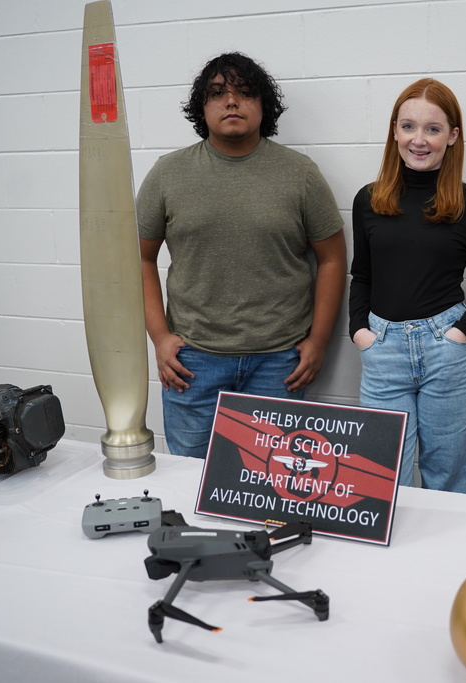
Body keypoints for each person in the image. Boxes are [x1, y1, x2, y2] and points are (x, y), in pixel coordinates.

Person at [137, 52, 346, 458]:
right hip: (192, 364)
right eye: (218, 93)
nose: (231, 102)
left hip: (279, 363)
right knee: (190, 483)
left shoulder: (299, 173)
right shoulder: (168, 174)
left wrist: (319, 340)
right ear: (203, 107)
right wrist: (160, 338)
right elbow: (140, 259)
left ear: (263, 105)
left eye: (245, 93)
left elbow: (333, 258)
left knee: (270, 487)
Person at [349, 79, 466, 494]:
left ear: (452, 136)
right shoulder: (368, 200)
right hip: (382, 352)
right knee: (381, 484)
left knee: (449, 481)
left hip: (448, 355)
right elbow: (362, 275)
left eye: (433, 129)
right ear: (394, 131)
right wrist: (360, 332)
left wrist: (460, 335)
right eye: (408, 127)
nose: (418, 140)